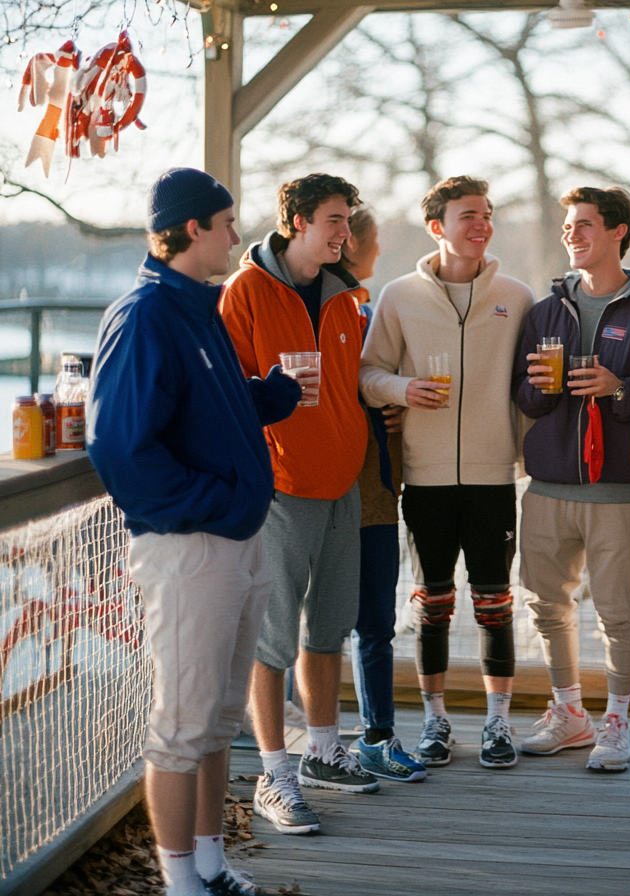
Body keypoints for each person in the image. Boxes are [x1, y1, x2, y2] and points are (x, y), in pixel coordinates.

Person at [87, 168, 301, 896]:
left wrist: (264, 398)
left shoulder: (198, 309)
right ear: (191, 230)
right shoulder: (145, 314)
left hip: (237, 542)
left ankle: (211, 866)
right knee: (182, 725)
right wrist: (216, 500)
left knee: (218, 720)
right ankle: (181, 884)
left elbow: (199, 403)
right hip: (189, 551)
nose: (238, 236)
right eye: (228, 223)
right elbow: (121, 448)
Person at [220, 173, 379, 836]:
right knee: (273, 638)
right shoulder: (246, 292)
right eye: (335, 221)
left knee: (328, 630)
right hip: (280, 489)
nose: (346, 232)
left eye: (348, 220)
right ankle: (274, 774)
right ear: (296, 222)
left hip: (343, 486)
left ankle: (321, 751)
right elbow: (227, 396)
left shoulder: (348, 296)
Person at [359, 175, 533, 769]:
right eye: (468, 215)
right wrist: (403, 389)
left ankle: (498, 725)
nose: (481, 225)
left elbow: (529, 386)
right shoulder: (398, 296)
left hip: (492, 476)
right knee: (431, 603)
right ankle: (435, 721)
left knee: (495, 602)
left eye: (486, 214)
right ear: (438, 227)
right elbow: (368, 373)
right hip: (425, 478)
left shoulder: (516, 296)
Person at [513, 186, 630, 772]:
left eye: (583, 225)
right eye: (567, 226)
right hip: (548, 488)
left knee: (619, 611)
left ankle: (617, 721)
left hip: (619, 491)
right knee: (547, 606)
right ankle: (569, 714)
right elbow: (524, 398)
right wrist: (540, 388)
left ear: (617, 232)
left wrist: (618, 389)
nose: (570, 235)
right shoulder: (545, 312)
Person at [337, 207, 426, 782]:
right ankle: (324, 737)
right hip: (326, 492)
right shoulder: (336, 314)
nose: (377, 248)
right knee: (331, 627)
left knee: (375, 621)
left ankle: (376, 735)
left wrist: (388, 400)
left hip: (375, 491)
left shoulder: (368, 312)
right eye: (374, 241)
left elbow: (373, 381)